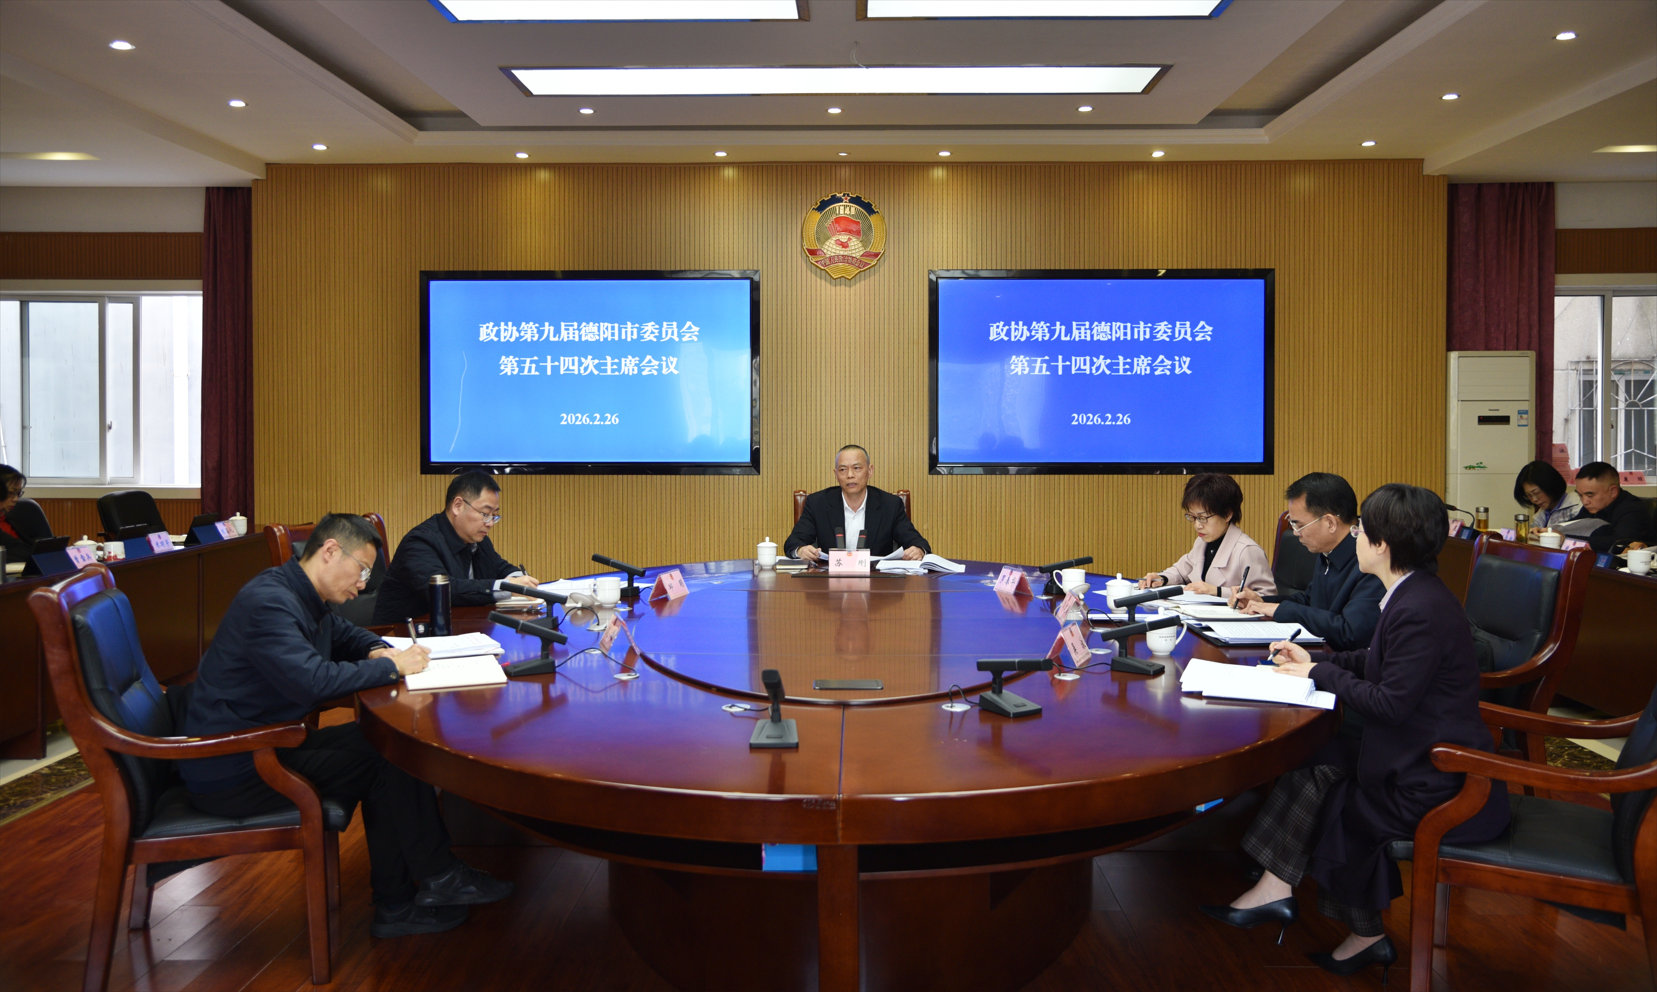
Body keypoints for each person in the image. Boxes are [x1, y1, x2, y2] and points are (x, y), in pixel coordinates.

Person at [1198, 484, 1509, 981]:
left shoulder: (1419, 608)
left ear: (1382, 544)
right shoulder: (1413, 593)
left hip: (1438, 774)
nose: (1356, 537)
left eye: (1362, 531)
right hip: (1416, 751)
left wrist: (1321, 673)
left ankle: (1350, 928)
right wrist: (1316, 661)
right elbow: (1376, 661)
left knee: (1338, 794)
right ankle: (1286, 895)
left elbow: (1389, 703)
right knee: (1318, 763)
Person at [180, 514, 514, 938]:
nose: (362, 584)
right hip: (235, 765)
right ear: (330, 551)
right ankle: (421, 888)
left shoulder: (298, 591)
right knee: (385, 756)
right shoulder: (269, 603)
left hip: (267, 742)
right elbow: (314, 680)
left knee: (388, 742)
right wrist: (392, 667)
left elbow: (345, 633)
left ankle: (413, 892)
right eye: (362, 570)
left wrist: (376, 650)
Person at [1233, 473, 1383, 651]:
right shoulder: (1327, 552)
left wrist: (1283, 611)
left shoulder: (1369, 563)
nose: (1296, 533)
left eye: (1299, 525)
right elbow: (1310, 601)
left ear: (1330, 523)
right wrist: (1261, 602)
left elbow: (1350, 633)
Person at [374, 470, 541, 624]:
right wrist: (508, 586)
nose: (490, 523)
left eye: (494, 515)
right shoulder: (420, 542)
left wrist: (522, 580)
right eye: (485, 514)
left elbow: (499, 567)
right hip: (405, 636)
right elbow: (445, 591)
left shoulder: (478, 540)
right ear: (458, 505)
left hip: (461, 630)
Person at [1139, 473, 1275, 599]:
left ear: (1227, 514)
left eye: (1202, 518)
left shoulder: (1247, 550)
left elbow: (1267, 597)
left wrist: (1217, 591)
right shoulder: (1202, 541)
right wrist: (1161, 578)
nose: (1197, 525)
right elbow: (1181, 571)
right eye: (1192, 517)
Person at [786, 445, 929, 564]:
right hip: (829, 581)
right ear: (836, 474)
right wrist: (801, 550)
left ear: (870, 470)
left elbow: (917, 542)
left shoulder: (890, 505)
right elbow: (793, 542)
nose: (850, 475)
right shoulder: (818, 503)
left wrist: (918, 550)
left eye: (856, 468)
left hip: (878, 582)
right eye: (843, 469)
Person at [1573, 461, 1656, 553]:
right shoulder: (1591, 507)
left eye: (1590, 495)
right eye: (1580, 495)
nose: (1585, 501)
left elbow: (1618, 543)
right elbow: (1572, 528)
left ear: (1613, 492)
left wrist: (1568, 539)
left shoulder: (1633, 509)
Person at [1512, 460, 1582, 528]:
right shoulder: (1543, 513)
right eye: (1529, 495)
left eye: (1536, 492)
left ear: (1550, 484)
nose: (1534, 499)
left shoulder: (1577, 508)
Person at [1, 464, 49, 562]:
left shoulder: (9, 521)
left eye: (18, 493)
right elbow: (25, 553)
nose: (16, 499)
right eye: (11, 493)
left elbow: (27, 550)